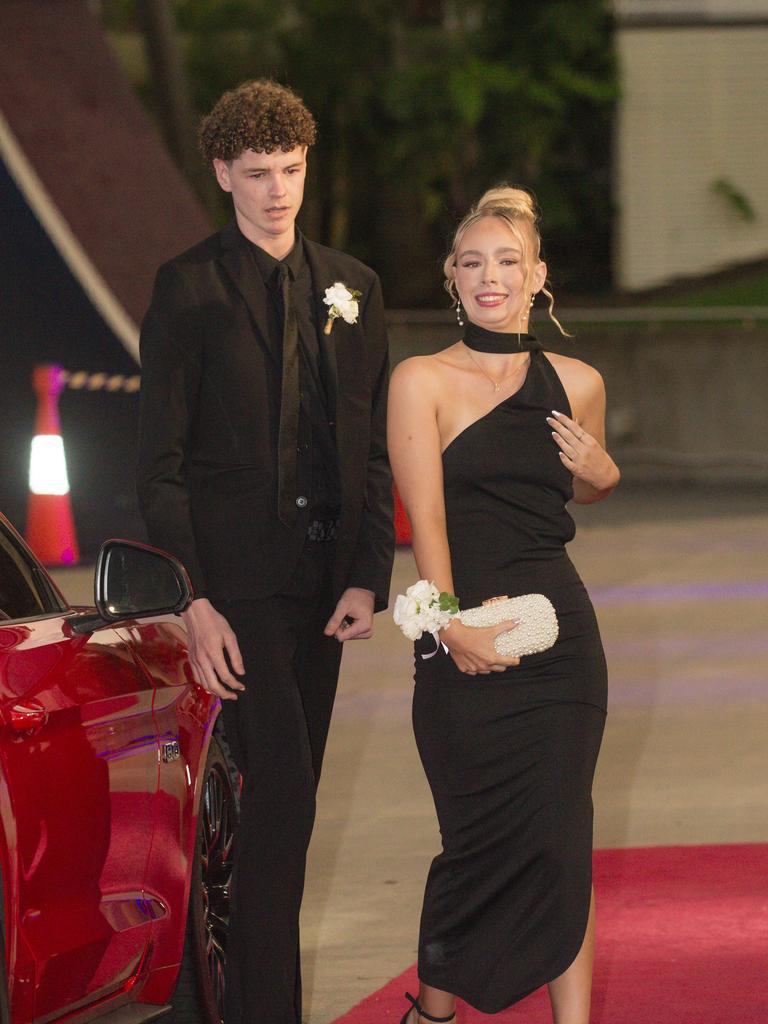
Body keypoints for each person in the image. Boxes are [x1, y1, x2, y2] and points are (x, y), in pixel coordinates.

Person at [137, 79, 394, 1024]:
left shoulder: (353, 286)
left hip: (326, 590)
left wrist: (370, 574)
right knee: (282, 803)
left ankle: (223, 1000)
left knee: (282, 813)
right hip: (235, 595)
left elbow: (370, 445)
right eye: (257, 174)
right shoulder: (187, 287)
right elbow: (157, 466)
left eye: (290, 170)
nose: (277, 191)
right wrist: (191, 600)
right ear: (222, 174)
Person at [387, 185, 620, 1024]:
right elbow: (426, 520)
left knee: (561, 840)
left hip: (559, 646)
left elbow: (587, 488)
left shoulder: (580, 381)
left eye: (509, 262)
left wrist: (606, 477)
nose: (491, 277)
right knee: (477, 844)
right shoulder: (421, 380)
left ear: (538, 276)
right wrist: (448, 626)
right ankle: (434, 1011)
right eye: (473, 263)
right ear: (452, 277)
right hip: (457, 633)